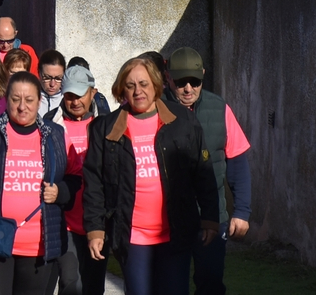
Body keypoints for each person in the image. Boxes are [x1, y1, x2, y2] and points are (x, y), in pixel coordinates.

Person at [83, 57, 220, 295]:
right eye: (130, 85)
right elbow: (94, 182)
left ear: (156, 84)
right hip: (131, 235)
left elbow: (203, 172)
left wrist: (209, 217)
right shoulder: (106, 128)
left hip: (174, 232)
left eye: (144, 84)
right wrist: (95, 229)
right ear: (121, 89)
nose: (138, 91)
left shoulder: (183, 121)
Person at [0, 70, 71, 295]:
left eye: (29, 100)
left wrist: (60, 192)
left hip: (38, 244)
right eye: (16, 99)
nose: (22, 106)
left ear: (39, 101)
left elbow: (75, 179)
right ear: (6, 100)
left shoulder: (55, 135)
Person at [165, 47, 252, 295]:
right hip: (170, 219)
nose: (188, 89)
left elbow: (237, 163)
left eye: (195, 81)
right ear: (168, 78)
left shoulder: (220, 108)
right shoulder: (156, 110)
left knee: (211, 283)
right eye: (181, 82)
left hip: (213, 215)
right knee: (172, 286)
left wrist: (242, 211)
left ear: (203, 75)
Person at [46, 64, 109, 295]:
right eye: (69, 95)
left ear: (93, 92)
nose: (74, 101)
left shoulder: (106, 123)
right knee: (71, 284)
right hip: (66, 221)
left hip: (99, 222)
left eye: (79, 95)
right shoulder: (51, 124)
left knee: (94, 287)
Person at [38, 49, 67, 117]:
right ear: (39, 73)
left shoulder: (68, 100)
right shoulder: (29, 98)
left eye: (58, 78)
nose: (52, 84)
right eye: (47, 78)